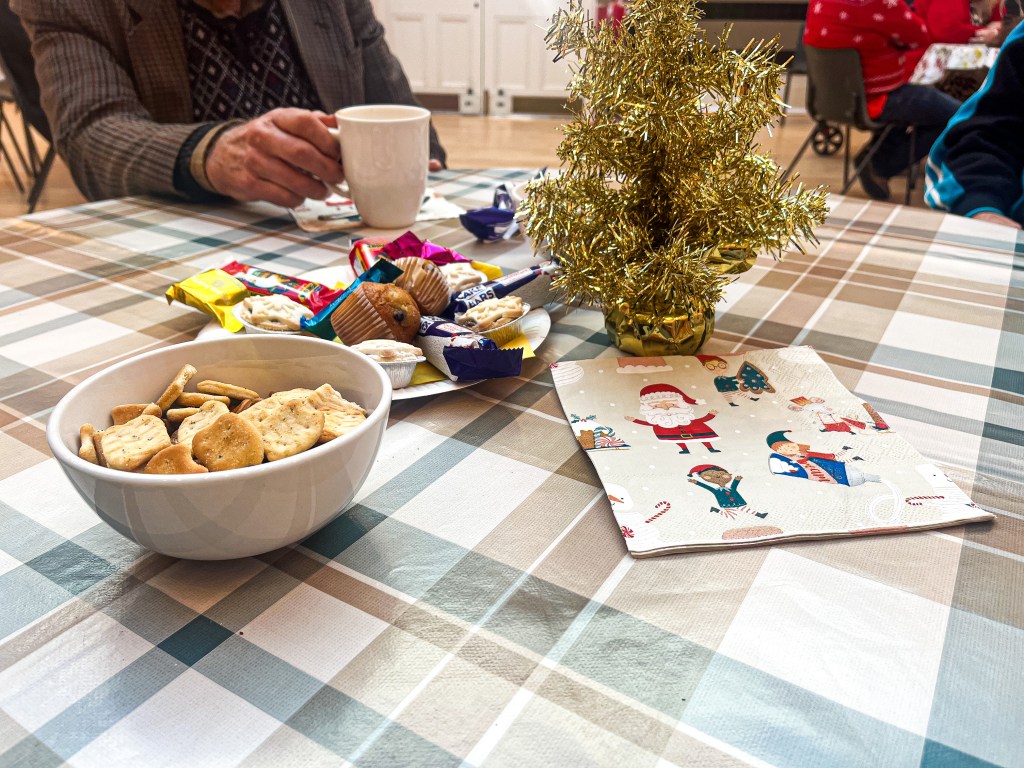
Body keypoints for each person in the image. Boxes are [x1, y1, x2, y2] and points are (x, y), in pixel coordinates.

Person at [10, 0, 446, 207]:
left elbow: (402, 113)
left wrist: (419, 164)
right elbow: (91, 136)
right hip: (187, 251)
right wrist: (208, 153)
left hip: (345, 242)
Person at [804, 0, 963, 201]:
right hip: (877, 97)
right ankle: (880, 164)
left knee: (922, 106)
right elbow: (919, 36)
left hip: (832, 100)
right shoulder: (881, 4)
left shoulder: (820, 3)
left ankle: (875, 155)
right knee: (956, 115)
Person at [925, 22, 1024, 227]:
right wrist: (979, 201)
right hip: (896, 86)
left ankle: (881, 162)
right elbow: (935, 32)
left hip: (907, 80)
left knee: (941, 111)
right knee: (943, 112)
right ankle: (883, 162)